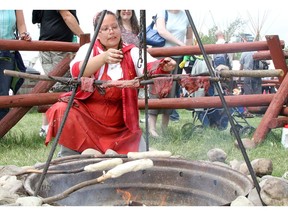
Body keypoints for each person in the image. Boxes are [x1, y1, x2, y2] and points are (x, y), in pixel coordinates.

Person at [44, 10, 176, 157]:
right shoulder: (88, 50)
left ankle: (111, 152)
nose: (111, 32)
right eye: (105, 29)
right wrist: (103, 58)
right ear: (97, 33)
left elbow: (150, 66)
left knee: (139, 157)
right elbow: (77, 71)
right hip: (89, 122)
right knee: (62, 109)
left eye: (114, 27)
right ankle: (70, 155)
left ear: (120, 29)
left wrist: (164, 65)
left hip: (121, 127)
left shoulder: (131, 52)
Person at [32, 10, 84, 137]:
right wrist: (85, 39)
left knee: (53, 87)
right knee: (61, 89)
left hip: (50, 46)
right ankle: (58, 128)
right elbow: (66, 16)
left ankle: (46, 127)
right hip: (56, 48)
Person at [148, 10, 193, 137]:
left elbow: (189, 37)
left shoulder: (186, 15)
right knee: (156, 90)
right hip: (162, 56)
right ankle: (152, 128)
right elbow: (162, 31)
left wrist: (186, 51)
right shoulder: (162, 12)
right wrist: (180, 44)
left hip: (178, 58)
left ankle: (164, 129)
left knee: (171, 92)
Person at [0, 10, 31, 120]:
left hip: (7, 52)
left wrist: (24, 35)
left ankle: (2, 132)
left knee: (3, 93)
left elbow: (21, 25)